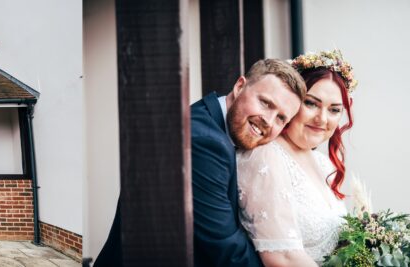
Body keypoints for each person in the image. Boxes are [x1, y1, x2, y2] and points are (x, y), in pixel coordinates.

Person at [95, 59, 306, 266]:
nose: (269, 121)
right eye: (265, 103)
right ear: (239, 86)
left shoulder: (211, 123)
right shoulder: (204, 141)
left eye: (281, 118)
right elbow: (225, 248)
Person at [237, 50, 356, 266]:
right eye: (311, 103)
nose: (322, 118)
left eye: (334, 110)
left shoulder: (322, 163)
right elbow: (282, 257)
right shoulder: (266, 154)